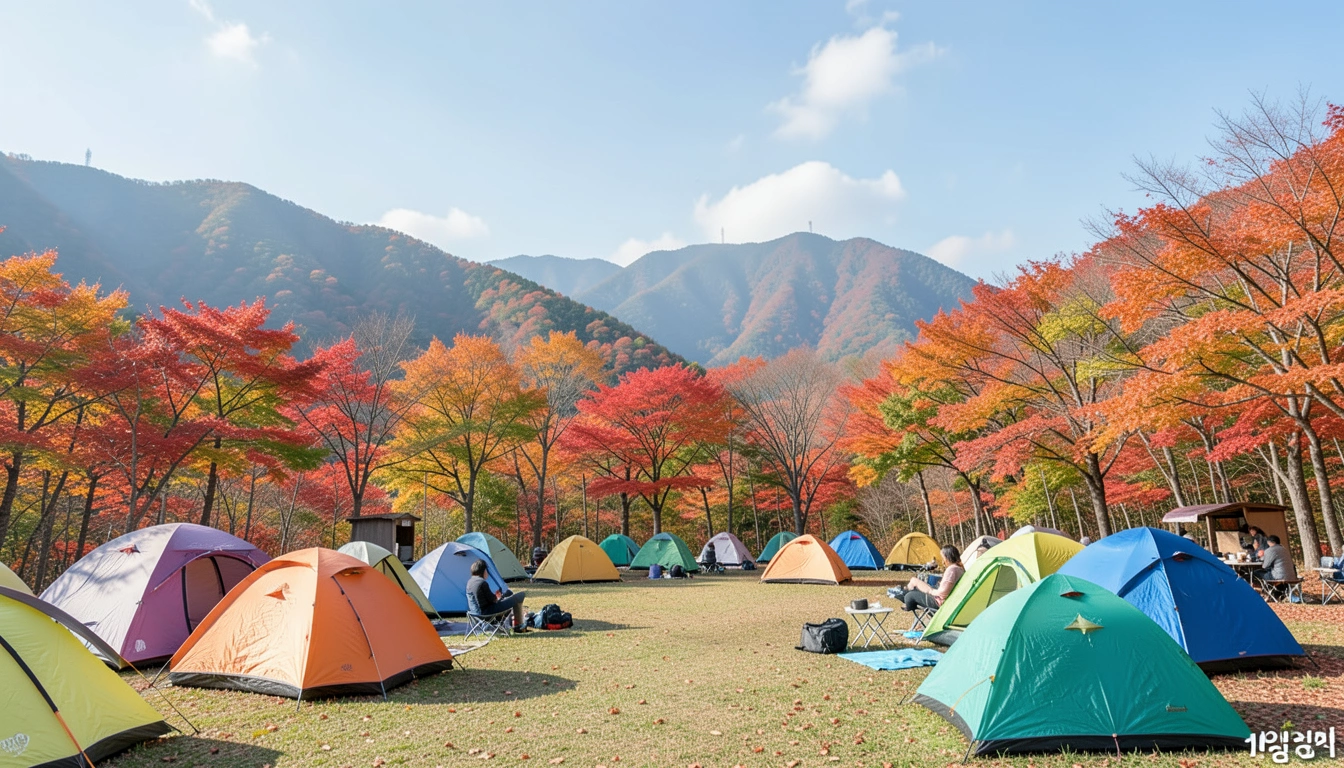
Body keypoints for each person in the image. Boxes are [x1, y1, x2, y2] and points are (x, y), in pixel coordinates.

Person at [466, 560, 528, 632]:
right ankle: (518, 626)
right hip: (487, 613)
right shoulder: (482, 583)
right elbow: (492, 600)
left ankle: (499, 624)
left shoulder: (470, 582)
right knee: (520, 595)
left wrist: (498, 598)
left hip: (476, 614)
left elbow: (483, 599)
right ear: (483, 571)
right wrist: (498, 597)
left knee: (508, 593)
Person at [896, 546, 964, 613]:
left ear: (948, 558)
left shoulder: (952, 570)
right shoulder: (959, 568)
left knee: (909, 596)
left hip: (938, 601)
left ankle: (905, 595)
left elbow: (943, 593)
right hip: (940, 595)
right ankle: (904, 592)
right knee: (914, 584)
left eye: (943, 559)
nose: (943, 562)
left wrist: (931, 591)